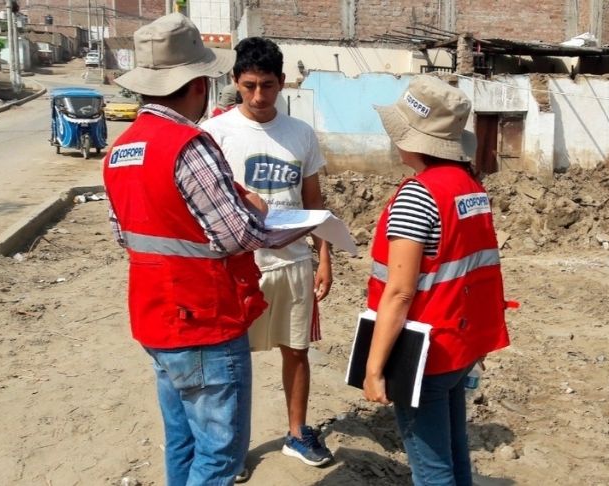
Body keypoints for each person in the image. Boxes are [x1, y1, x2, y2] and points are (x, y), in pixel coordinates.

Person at [102, 13, 269, 485]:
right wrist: (257, 211)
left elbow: (124, 235)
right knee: (219, 456)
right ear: (198, 84)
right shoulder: (190, 146)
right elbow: (237, 235)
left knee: (182, 440)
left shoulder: (121, 149)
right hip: (204, 320)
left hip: (156, 317)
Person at [363, 75, 511, 485]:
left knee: (431, 471)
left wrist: (374, 368)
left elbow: (399, 291)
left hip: (424, 353)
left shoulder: (418, 195)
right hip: (459, 344)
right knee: (454, 455)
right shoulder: (469, 188)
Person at [201, 36, 334, 468]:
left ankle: (297, 434)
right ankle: (232, 449)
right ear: (236, 81)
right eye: (250, 85)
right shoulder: (214, 134)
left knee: (296, 350)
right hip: (238, 267)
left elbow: (315, 204)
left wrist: (324, 258)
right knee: (230, 362)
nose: (259, 96)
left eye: (269, 86)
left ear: (282, 84)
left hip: (294, 264)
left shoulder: (301, 134)